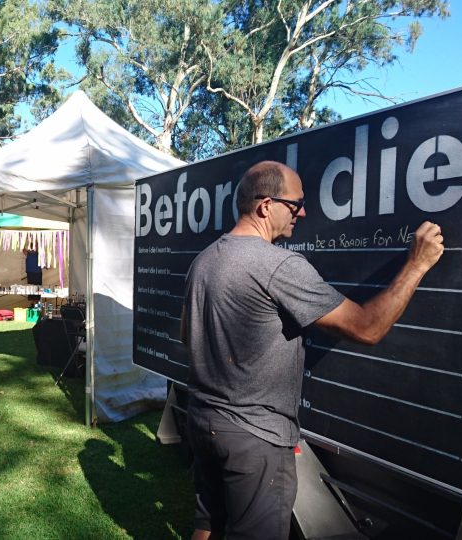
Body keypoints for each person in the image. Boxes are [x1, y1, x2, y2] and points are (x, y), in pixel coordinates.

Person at [182, 161, 445, 540]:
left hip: (205, 421)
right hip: (257, 438)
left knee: (207, 523)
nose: (303, 212)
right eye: (295, 204)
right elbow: (367, 327)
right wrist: (417, 265)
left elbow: (187, 335)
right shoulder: (279, 265)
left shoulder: (202, 262)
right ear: (265, 206)